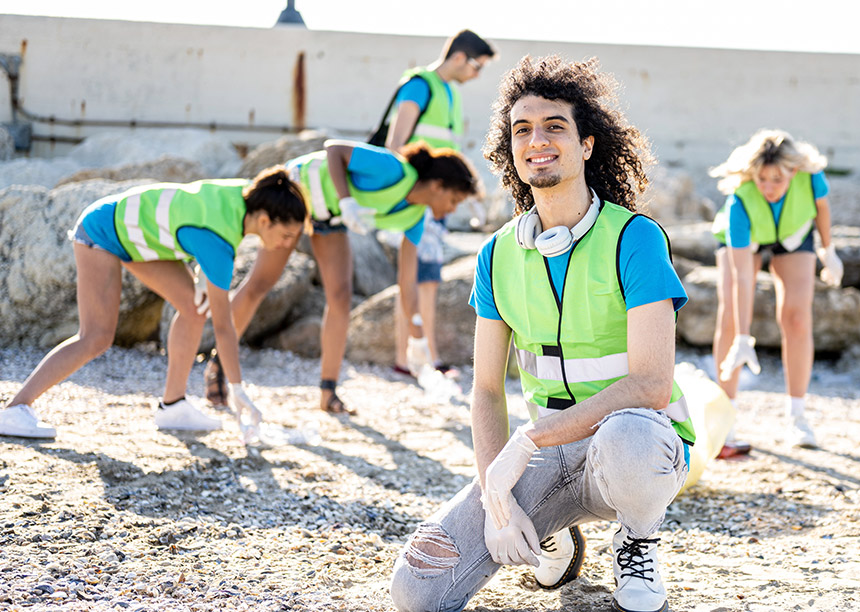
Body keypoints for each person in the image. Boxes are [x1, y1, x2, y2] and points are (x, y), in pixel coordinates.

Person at [390, 55, 696, 612]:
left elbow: (651, 384)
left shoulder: (636, 238)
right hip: (550, 454)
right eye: (521, 129)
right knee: (417, 590)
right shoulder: (496, 254)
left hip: (639, 445)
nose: (537, 140)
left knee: (627, 438)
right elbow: (485, 390)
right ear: (510, 149)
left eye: (555, 126)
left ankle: (638, 538)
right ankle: (552, 532)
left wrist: (527, 441)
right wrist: (496, 494)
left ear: (587, 145)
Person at [0, 168, 308, 440]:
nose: (285, 245)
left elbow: (188, 218)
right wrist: (239, 390)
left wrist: (199, 274)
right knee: (96, 337)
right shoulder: (219, 243)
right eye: (285, 235)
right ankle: (16, 408)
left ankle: (172, 406)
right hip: (102, 230)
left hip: (142, 239)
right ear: (265, 220)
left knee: (193, 307)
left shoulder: (251, 194)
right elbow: (225, 327)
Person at [202, 140, 480, 414]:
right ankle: (218, 364)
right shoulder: (392, 169)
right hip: (296, 196)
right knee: (260, 283)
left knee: (341, 296)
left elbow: (408, 284)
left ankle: (328, 391)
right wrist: (347, 200)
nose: (453, 210)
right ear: (437, 185)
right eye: (454, 200)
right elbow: (334, 149)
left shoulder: (415, 218)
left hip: (329, 219)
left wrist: (417, 340)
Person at [709, 128, 843, 455]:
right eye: (762, 179)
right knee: (730, 318)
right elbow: (742, 277)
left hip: (794, 235)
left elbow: (822, 210)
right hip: (748, 239)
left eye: (777, 179)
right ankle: (725, 422)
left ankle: (797, 417)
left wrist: (829, 250)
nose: (768, 187)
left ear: (793, 172)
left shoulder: (810, 177)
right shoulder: (740, 202)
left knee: (796, 318)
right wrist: (743, 338)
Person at [378, 29, 496, 378]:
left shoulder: (449, 93)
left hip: (439, 201)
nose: (477, 74)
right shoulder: (420, 85)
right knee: (415, 276)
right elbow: (396, 142)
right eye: (477, 66)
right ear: (459, 56)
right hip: (419, 200)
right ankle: (414, 358)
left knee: (427, 277)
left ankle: (421, 356)